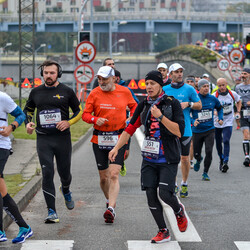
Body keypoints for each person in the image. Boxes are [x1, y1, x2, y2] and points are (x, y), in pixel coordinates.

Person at [109, 70, 187, 244]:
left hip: (167, 157)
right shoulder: (143, 104)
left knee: (166, 194)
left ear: (160, 85)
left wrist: (160, 117)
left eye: (152, 83)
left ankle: (178, 210)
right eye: (147, 83)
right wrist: (116, 148)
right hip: (149, 158)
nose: (149, 87)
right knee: (151, 194)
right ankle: (163, 231)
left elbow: (179, 131)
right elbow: (130, 129)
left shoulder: (172, 103)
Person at [23, 60, 83, 223]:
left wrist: (68, 122)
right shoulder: (36, 92)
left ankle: (66, 189)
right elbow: (28, 110)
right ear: (42, 73)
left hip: (62, 139)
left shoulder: (67, 91)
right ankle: (51, 211)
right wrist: (27, 123)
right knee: (47, 172)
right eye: (46, 73)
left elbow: (79, 112)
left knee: (65, 174)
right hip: (43, 138)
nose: (48, 76)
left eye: (52, 73)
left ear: (58, 74)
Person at [82, 66, 137, 223]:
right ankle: (108, 200)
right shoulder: (94, 93)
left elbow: (134, 107)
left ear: (114, 78)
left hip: (118, 138)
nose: (101, 82)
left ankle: (111, 208)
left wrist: (131, 118)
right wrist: (94, 119)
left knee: (113, 174)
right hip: (99, 138)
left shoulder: (124, 92)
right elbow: (85, 114)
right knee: (104, 177)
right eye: (99, 79)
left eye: (105, 79)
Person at [163, 63, 202, 198]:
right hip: (169, 129)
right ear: (171, 74)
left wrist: (188, 104)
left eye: (181, 71)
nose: (180, 74)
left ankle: (184, 183)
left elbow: (199, 105)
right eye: (177, 72)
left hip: (185, 129)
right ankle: (173, 184)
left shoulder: (189, 89)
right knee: (171, 159)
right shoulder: (164, 89)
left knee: (185, 158)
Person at [0, 91, 33, 243]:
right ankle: (24, 228)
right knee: (2, 192)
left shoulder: (2, 97)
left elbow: (21, 115)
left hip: (1, 146)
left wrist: (11, 127)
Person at [191, 79, 223, 181]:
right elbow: (187, 112)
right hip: (197, 131)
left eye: (207, 86)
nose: (206, 88)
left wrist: (220, 118)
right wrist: (193, 121)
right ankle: (198, 159)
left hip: (210, 130)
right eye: (204, 86)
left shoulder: (213, 99)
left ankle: (205, 172)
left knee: (209, 151)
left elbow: (220, 108)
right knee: (196, 153)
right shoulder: (195, 99)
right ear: (199, 88)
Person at [213, 78, 241, 172]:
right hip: (217, 122)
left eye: (223, 85)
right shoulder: (214, 96)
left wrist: (238, 111)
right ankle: (221, 158)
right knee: (218, 143)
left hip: (228, 121)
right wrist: (215, 112)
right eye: (219, 85)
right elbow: (209, 106)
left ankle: (226, 161)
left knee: (226, 140)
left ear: (226, 84)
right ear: (217, 86)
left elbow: (239, 101)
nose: (221, 87)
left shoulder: (232, 94)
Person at [114, 70, 139, 176]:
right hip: (109, 125)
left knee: (126, 152)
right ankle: (113, 166)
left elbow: (136, 103)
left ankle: (121, 161)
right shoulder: (104, 90)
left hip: (124, 124)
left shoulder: (126, 90)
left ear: (118, 78)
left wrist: (129, 110)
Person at [235, 68, 250, 167]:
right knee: (246, 134)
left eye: (245, 74)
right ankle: (247, 157)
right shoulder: (237, 87)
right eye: (242, 74)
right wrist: (237, 110)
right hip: (244, 112)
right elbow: (236, 99)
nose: (243, 75)